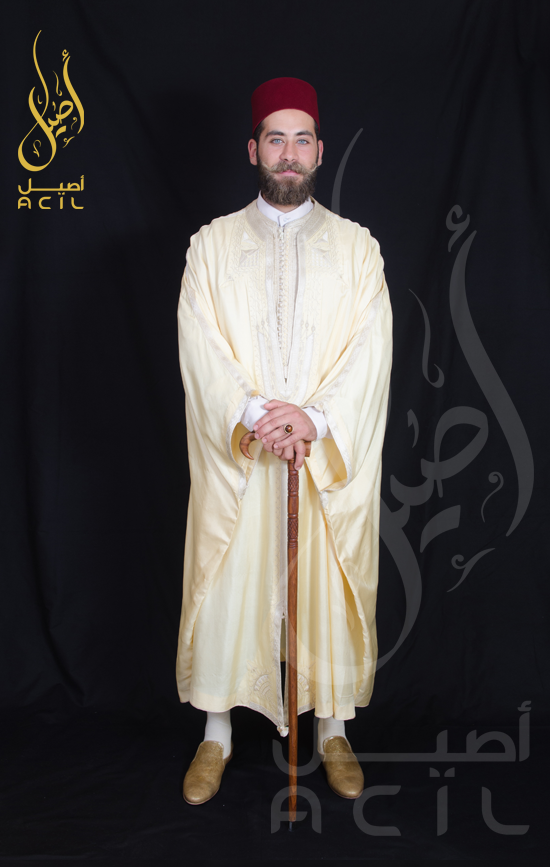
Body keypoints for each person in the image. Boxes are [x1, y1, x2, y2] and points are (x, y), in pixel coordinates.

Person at [176, 77, 393, 805]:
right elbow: (200, 345)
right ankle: (216, 731)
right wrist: (253, 413)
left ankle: (333, 729)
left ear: (320, 151)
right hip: (242, 454)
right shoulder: (210, 246)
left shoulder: (358, 249)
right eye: (276, 138)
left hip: (319, 454)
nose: (290, 153)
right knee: (229, 580)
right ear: (253, 150)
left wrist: (316, 420)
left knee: (326, 583)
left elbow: (371, 349)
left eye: (303, 139)